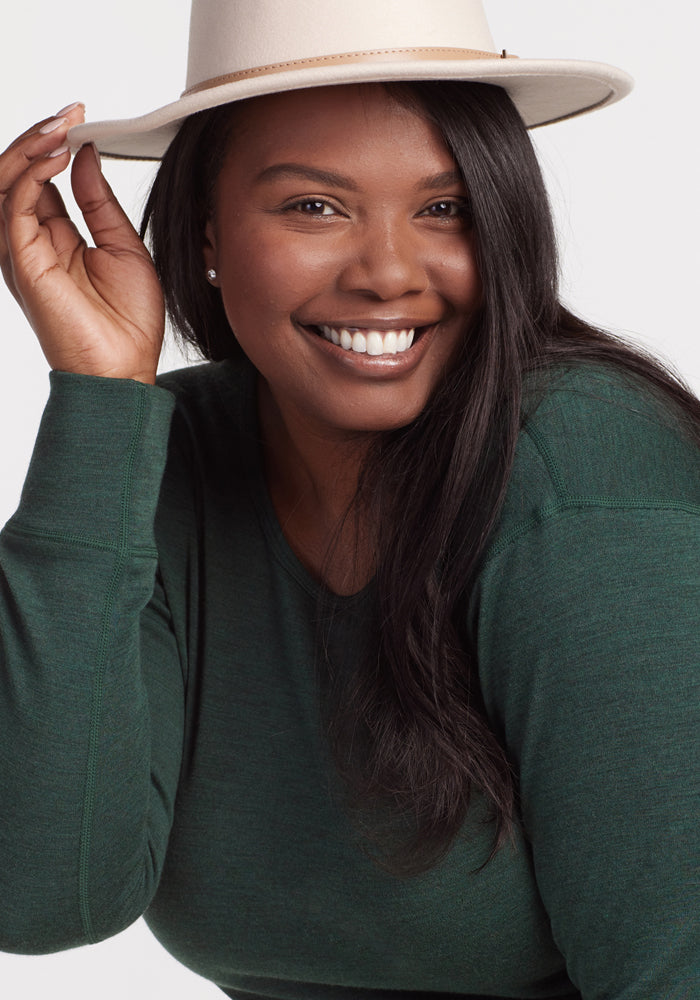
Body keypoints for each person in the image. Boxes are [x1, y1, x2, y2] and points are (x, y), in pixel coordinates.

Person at [0, 0, 698, 997]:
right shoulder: (167, 457)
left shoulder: (586, 479)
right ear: (205, 231)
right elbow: (42, 897)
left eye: (445, 208)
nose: (387, 274)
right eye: (314, 207)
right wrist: (100, 402)